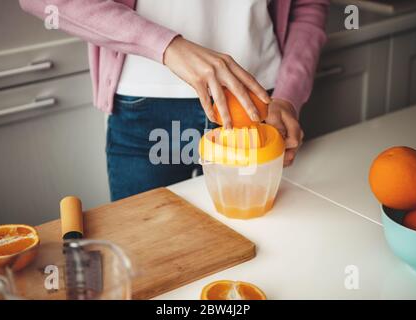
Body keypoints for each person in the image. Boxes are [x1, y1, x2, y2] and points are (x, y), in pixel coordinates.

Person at [19, 0, 329, 200]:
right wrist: (167, 46)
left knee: (265, 252)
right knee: (149, 263)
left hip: (260, 108)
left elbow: (307, 7)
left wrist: (289, 95)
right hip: (147, 107)